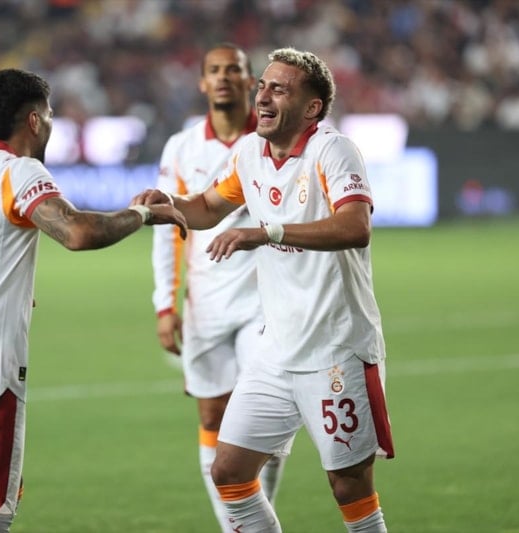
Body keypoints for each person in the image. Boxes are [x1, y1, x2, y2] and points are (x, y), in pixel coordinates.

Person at [0, 68, 187, 533]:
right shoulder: (17, 172)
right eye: (49, 115)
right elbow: (78, 232)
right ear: (33, 121)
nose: (50, 125)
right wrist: (142, 214)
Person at [135, 47, 395, 532]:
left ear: (312, 107)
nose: (263, 96)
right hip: (275, 351)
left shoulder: (333, 150)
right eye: (263, 87)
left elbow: (355, 227)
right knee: (229, 473)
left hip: (336, 350)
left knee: (349, 486)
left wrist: (268, 232)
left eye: (279, 89)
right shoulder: (250, 152)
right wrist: (168, 204)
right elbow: (208, 207)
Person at [151, 43, 288, 531]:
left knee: (262, 418)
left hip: (264, 303)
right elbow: (167, 230)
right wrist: (165, 304)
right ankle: (237, 526)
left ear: (251, 81)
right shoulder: (182, 147)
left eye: (234, 69)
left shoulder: (273, 139)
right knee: (212, 416)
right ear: (203, 83)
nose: (224, 77)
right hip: (206, 303)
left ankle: (250, 523)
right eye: (215, 70)